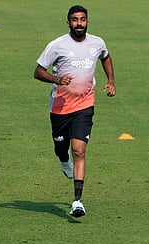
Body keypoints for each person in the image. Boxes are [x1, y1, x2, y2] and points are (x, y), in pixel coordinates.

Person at [33, 5, 116, 217]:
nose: (79, 24)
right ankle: (63, 161)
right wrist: (57, 79)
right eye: (75, 20)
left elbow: (105, 57)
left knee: (79, 150)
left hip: (84, 105)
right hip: (60, 107)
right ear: (68, 23)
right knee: (61, 148)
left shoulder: (97, 43)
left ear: (87, 21)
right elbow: (38, 71)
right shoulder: (57, 45)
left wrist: (111, 80)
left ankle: (77, 201)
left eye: (82, 19)